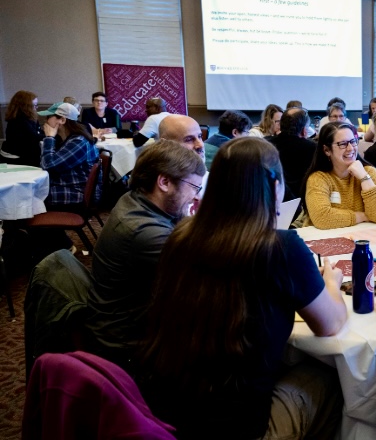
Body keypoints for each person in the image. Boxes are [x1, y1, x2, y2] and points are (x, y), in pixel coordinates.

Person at [137, 137, 347, 440]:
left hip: (165, 414)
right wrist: (331, 283)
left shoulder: (180, 236)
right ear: (274, 185)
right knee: (333, 377)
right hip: (240, 427)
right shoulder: (281, 248)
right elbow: (331, 325)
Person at [87, 140, 205, 365]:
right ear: (164, 182)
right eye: (194, 188)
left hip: (124, 323)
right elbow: (203, 279)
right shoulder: (145, 233)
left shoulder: (135, 199)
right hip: (130, 348)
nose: (196, 197)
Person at [301, 122, 376, 229]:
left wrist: (363, 177)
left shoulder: (369, 172)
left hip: (362, 238)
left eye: (353, 141)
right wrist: (363, 216)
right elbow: (322, 217)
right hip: (326, 241)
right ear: (326, 150)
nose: (350, 148)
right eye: (342, 144)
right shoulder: (318, 178)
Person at [38, 102, 100, 209]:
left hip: (77, 192)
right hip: (68, 185)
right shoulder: (68, 139)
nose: (45, 121)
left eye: (49, 117)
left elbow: (47, 165)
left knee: (29, 196)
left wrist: (49, 137)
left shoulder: (78, 142)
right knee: (29, 193)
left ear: (62, 120)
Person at [269, 107, 316, 200]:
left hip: (272, 198)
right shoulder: (312, 147)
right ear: (304, 130)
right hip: (302, 200)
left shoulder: (267, 144)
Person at [1, 90, 44, 167]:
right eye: (34, 105)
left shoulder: (31, 118)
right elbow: (34, 137)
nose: (36, 108)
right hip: (15, 158)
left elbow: (39, 132)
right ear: (25, 106)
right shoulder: (18, 120)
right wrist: (51, 134)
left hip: (24, 154)